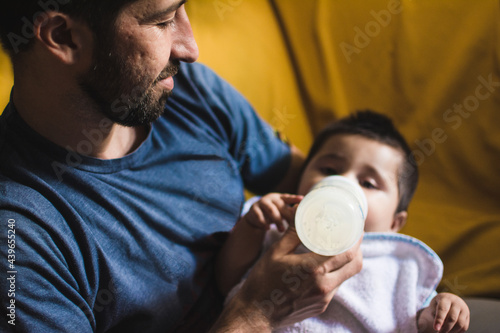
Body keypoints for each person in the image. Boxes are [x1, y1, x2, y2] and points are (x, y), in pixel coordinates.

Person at [0, 0, 363, 332]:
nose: (190, 48)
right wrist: (257, 313)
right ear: (63, 37)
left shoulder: (182, 90)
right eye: (163, 21)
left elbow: (317, 178)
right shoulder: (19, 239)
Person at [216, 111, 470, 332]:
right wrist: (252, 227)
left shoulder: (399, 265)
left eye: (368, 183)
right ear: (300, 181)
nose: (344, 183)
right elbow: (226, 280)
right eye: (329, 170)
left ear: (395, 223)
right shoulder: (275, 227)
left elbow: (418, 322)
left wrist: (440, 311)